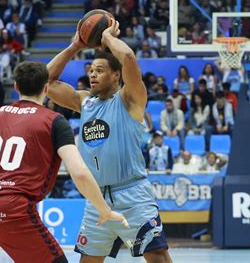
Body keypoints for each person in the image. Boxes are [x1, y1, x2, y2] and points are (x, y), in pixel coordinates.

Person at [0, 61, 128, 263]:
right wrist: (104, 209)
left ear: (16, 86)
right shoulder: (54, 121)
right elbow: (78, 172)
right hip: (13, 210)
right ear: (46, 88)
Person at [46, 19, 171, 262]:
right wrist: (74, 47)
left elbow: (129, 59)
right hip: (97, 199)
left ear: (116, 76)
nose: (92, 74)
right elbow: (45, 82)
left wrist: (107, 38)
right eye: (91, 70)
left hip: (133, 195)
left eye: (99, 70)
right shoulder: (84, 102)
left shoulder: (130, 100)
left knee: (157, 256)